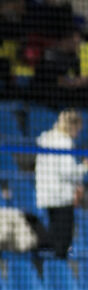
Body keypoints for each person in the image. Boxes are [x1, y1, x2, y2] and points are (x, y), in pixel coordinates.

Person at [35, 109, 88, 258]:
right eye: (78, 128)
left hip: (47, 196)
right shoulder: (64, 142)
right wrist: (84, 167)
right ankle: (58, 263)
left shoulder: (47, 139)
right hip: (61, 198)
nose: (79, 132)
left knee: (54, 237)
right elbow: (68, 172)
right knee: (63, 240)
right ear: (72, 125)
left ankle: (55, 262)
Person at [29, 30, 88, 108]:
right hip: (47, 96)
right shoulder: (50, 54)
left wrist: (78, 81)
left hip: (68, 96)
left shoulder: (74, 57)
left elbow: (80, 78)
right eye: (75, 42)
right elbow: (54, 79)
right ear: (66, 40)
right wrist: (73, 82)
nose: (78, 44)